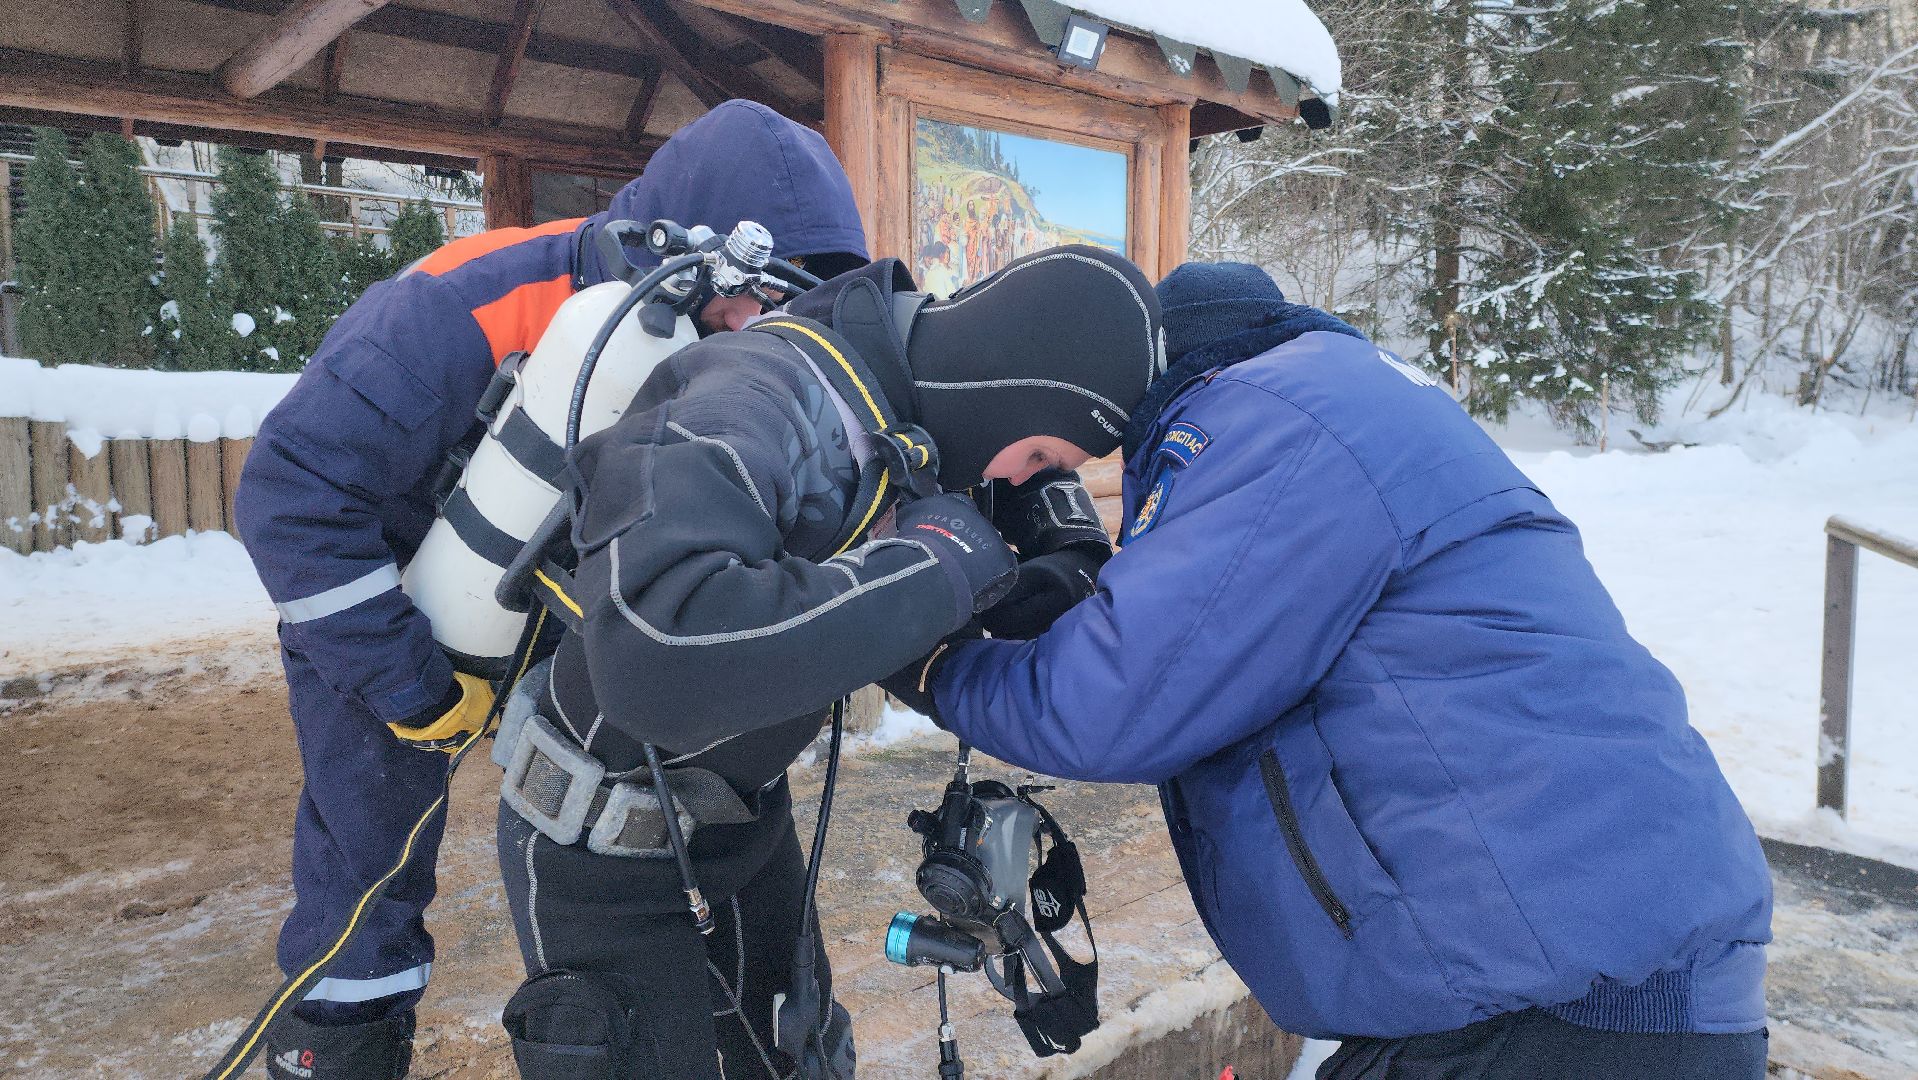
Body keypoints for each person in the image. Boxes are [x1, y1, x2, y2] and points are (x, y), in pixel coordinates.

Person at [886, 262, 1774, 1080]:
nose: (1082, 454)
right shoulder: (1344, 400)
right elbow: (1199, 641)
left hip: (1557, 1008)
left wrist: (928, 662)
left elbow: (1113, 702)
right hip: (1572, 976)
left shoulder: (1272, 419)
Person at [232, 99, 870, 1080]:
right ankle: (337, 1048)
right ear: (667, 251)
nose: (759, 325)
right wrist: (405, 685)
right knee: (369, 871)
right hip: (392, 590)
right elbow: (290, 493)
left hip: (583, 590)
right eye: (744, 292)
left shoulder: (763, 352)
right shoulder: (462, 304)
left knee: (679, 813)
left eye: (794, 298)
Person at [492, 245, 1163, 1080]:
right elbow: (652, 656)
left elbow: (868, 580)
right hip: (598, 855)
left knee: (798, 1057)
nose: (1013, 479)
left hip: (738, 825)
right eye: (1035, 457)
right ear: (1002, 391)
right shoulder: (757, 396)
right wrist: (933, 572)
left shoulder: (904, 415)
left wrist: (1052, 566)